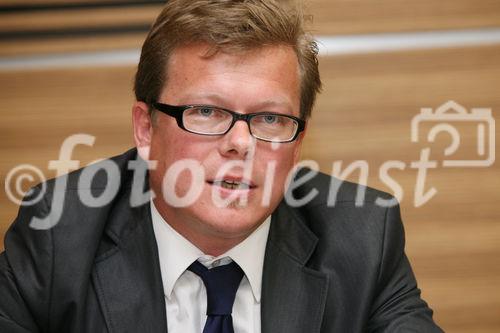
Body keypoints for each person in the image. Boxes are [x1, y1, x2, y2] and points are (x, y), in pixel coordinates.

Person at [0, 0, 443, 332]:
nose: (240, 143)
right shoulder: (57, 233)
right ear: (145, 129)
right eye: (207, 112)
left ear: (298, 143)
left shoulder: (362, 237)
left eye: (270, 118)